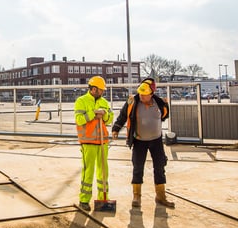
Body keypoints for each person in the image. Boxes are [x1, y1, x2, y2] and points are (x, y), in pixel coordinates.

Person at [111, 78, 175, 208]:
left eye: (144, 94)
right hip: (139, 141)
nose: (142, 96)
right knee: (137, 167)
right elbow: (123, 116)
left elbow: (165, 115)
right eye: (140, 93)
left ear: (151, 94)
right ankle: (136, 196)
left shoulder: (160, 103)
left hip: (156, 141)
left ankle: (161, 196)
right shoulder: (132, 102)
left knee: (159, 167)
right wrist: (116, 128)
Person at [73, 76, 113, 211]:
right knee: (88, 171)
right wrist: (93, 114)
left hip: (102, 141)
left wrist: (105, 114)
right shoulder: (81, 101)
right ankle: (84, 200)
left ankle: (103, 198)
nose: (103, 92)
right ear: (94, 89)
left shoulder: (104, 102)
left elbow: (109, 120)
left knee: (103, 171)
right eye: (101, 90)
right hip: (88, 141)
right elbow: (79, 120)